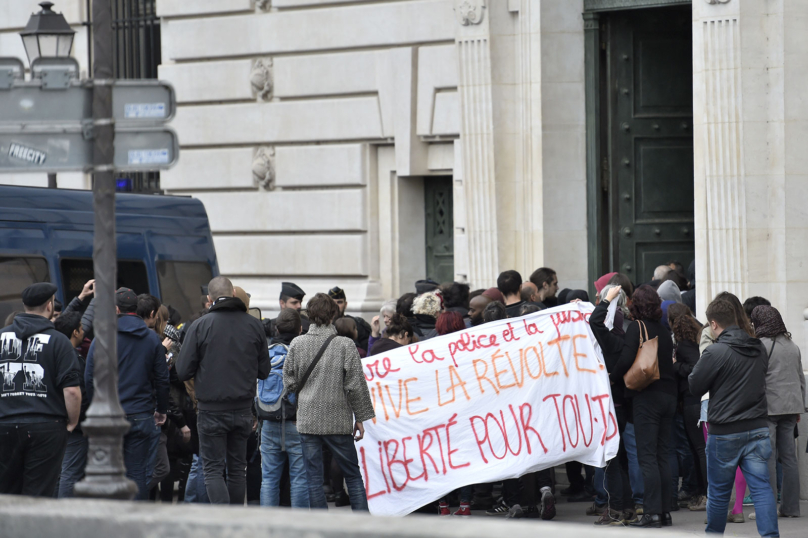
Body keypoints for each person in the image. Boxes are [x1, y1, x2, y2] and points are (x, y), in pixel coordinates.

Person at [176, 276, 270, 504]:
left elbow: (182, 370)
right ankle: (235, 522)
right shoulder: (254, 325)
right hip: (242, 409)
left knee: (213, 470)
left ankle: (222, 524)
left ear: (209, 299)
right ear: (235, 295)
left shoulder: (200, 326)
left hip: (211, 409)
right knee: (238, 470)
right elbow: (264, 371)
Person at [689, 297, 778, 537]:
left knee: (718, 494)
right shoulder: (758, 347)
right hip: (757, 427)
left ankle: (714, 535)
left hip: (725, 432)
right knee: (762, 489)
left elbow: (694, 385)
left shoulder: (715, 352)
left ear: (714, 324)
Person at [282, 293, 375, 511]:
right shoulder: (345, 345)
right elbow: (355, 385)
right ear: (333, 314)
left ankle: (321, 529)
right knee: (352, 476)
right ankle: (365, 529)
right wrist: (361, 418)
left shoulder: (298, 343)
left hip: (308, 420)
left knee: (313, 479)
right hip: (338, 419)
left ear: (309, 315)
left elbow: (289, 382)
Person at [85, 287, 170, 500]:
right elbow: (162, 379)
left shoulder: (102, 338)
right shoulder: (152, 339)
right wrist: (161, 410)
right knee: (137, 473)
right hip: (141, 414)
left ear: (115, 309)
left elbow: (89, 377)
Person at [0, 283, 81, 497]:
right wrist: (72, 422)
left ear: (24, 306)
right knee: (39, 495)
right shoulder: (59, 341)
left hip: (4, 424)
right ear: (49, 305)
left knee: (6, 493)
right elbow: (71, 391)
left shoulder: (1, 337)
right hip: (47, 427)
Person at [612, 285, 677, 528]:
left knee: (647, 457)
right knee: (662, 456)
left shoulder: (636, 328)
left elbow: (626, 359)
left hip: (647, 398)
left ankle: (651, 514)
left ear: (635, 305)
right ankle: (664, 512)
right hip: (668, 397)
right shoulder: (664, 329)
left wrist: (612, 376)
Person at [750, 305, 804, 519]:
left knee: (768, 457)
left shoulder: (760, 345)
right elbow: (800, 378)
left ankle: (768, 507)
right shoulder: (793, 346)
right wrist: (801, 406)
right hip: (792, 407)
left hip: (769, 408)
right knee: (790, 458)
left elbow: (756, 379)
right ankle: (791, 508)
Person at [588, 284, 634, 525]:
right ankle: (626, 507)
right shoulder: (629, 331)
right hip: (623, 404)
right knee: (621, 458)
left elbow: (594, 322)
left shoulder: (610, 338)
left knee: (611, 460)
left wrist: (605, 300)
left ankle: (615, 509)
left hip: (610, 406)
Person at [258, 308, 309, 509]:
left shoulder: (266, 353)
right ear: (300, 329)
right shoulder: (301, 353)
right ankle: (297, 528)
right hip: (296, 421)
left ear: (276, 329)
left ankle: (267, 528)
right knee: (299, 478)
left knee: (269, 478)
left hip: (268, 420)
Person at [668, 303, 708, 511]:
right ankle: (702, 492)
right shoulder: (697, 339)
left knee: (700, 449)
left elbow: (695, 367)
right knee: (697, 449)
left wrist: (676, 366)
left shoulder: (684, 345)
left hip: (693, 400)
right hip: (695, 400)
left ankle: (706, 493)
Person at [53, 311, 90, 498]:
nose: (84, 331)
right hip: (73, 426)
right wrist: (79, 422)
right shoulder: (71, 357)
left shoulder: (55, 354)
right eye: (82, 327)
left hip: (58, 423)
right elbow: (76, 392)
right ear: (75, 332)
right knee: (70, 473)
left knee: (62, 473)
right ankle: (63, 515)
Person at [328, 286, 372, 352]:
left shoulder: (358, 324)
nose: (336, 306)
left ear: (345, 304)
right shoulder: (323, 325)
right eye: (333, 303)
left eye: (339, 302)